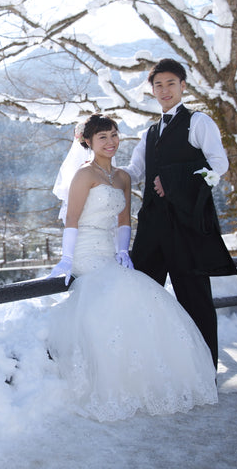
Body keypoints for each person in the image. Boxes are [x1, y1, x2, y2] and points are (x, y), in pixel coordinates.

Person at [48, 113, 217, 422]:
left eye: (114, 135)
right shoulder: (84, 175)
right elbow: (72, 220)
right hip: (86, 250)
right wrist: (67, 258)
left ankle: (145, 379)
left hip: (110, 252)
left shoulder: (123, 177)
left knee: (144, 294)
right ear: (88, 142)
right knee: (118, 294)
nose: (111, 142)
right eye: (103, 137)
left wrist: (123, 252)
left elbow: (124, 220)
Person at [121, 58, 237, 369]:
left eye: (171, 83)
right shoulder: (149, 134)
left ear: (183, 86)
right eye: (158, 85)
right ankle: (144, 368)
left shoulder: (199, 122)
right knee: (141, 296)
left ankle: (204, 372)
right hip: (152, 229)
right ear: (153, 91)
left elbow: (219, 166)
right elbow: (134, 171)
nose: (164, 89)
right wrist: (100, 172)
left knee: (195, 301)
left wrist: (177, 182)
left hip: (188, 227)